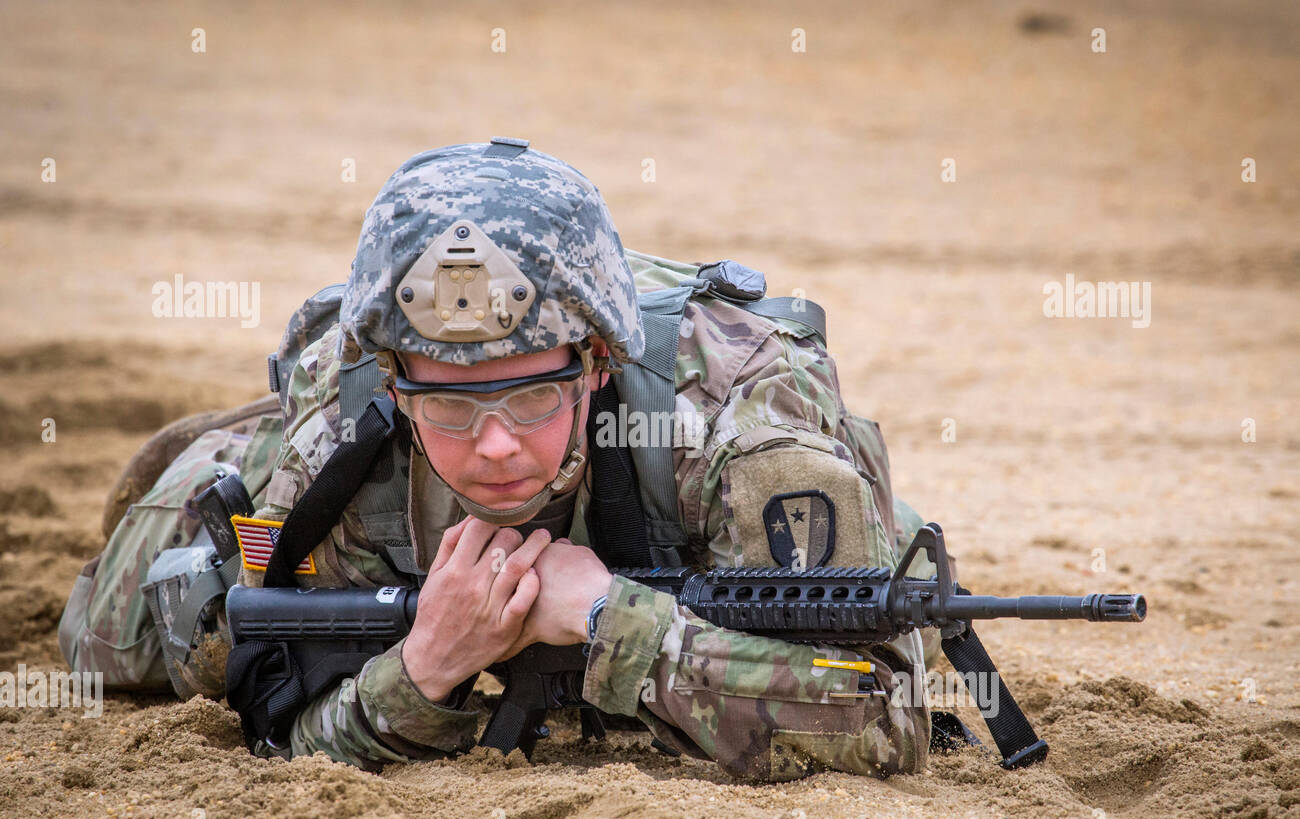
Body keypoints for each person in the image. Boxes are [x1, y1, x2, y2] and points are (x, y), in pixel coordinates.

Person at [61, 139, 932, 782]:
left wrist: (614, 624)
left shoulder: (736, 421)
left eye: (531, 398)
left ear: (596, 366)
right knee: (118, 644)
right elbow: (273, 727)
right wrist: (426, 667)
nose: (496, 445)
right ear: (397, 388)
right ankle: (221, 440)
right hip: (305, 465)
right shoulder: (345, 427)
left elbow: (886, 721)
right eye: (449, 404)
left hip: (712, 475)